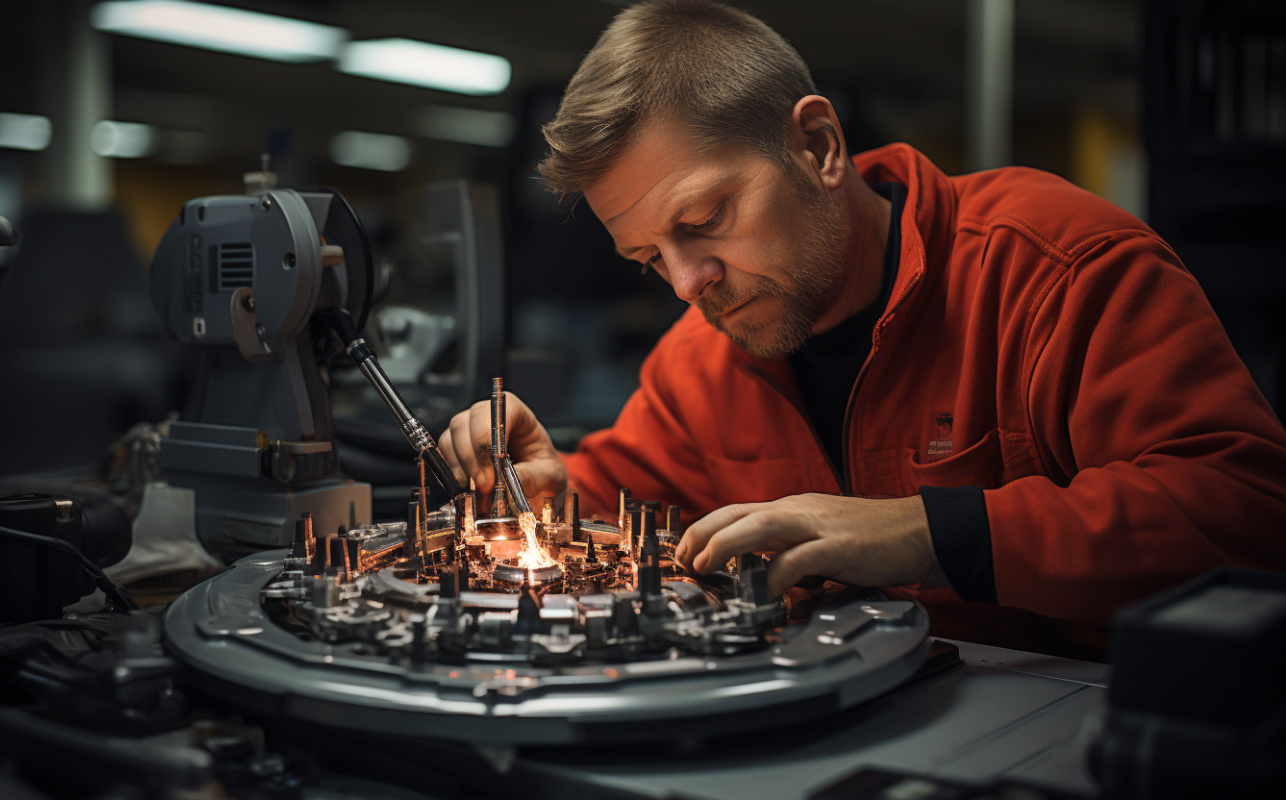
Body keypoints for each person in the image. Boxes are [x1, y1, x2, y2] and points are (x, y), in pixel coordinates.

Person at [438, 0, 1286, 656]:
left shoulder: (1056, 267)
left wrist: (931, 533)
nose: (688, 285)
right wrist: (554, 488)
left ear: (818, 144)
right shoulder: (700, 360)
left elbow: (1248, 514)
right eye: (649, 259)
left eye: (704, 218)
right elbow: (628, 489)